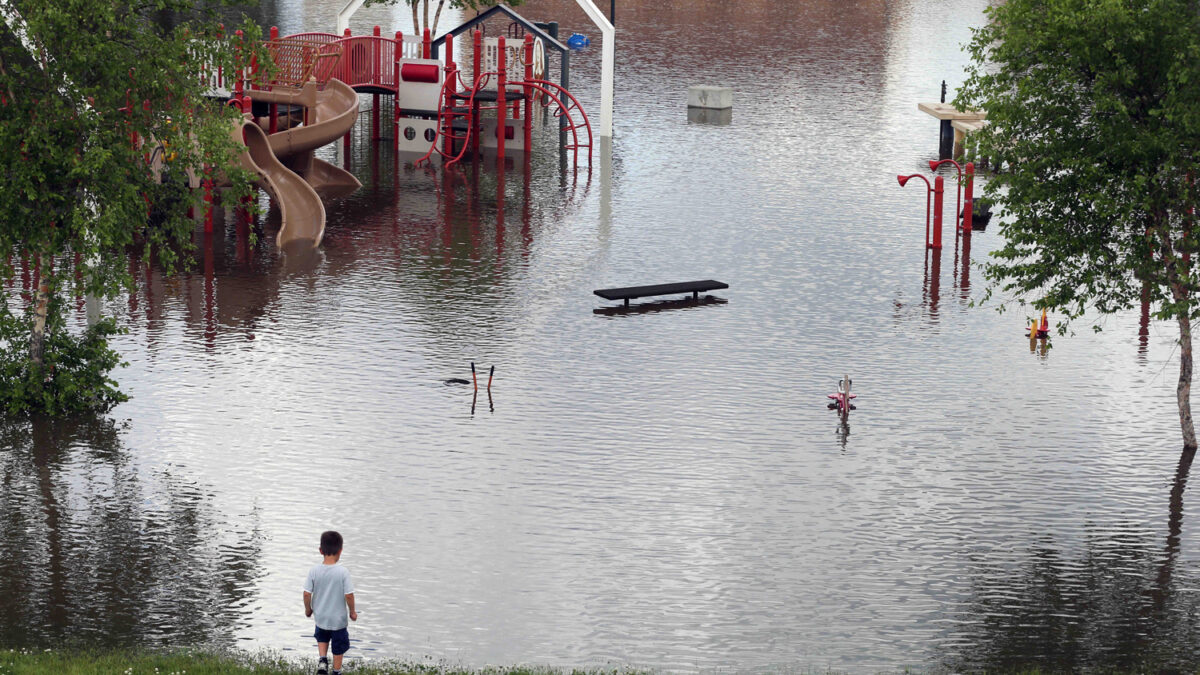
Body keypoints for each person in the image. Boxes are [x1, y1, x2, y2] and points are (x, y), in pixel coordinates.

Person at [303, 530, 357, 675]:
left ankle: (322, 660)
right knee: (338, 646)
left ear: (320, 550)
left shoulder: (314, 571)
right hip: (338, 619)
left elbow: (307, 593)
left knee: (322, 636)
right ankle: (336, 671)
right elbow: (349, 595)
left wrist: (308, 609)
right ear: (340, 551)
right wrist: (352, 611)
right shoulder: (343, 572)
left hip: (321, 617)